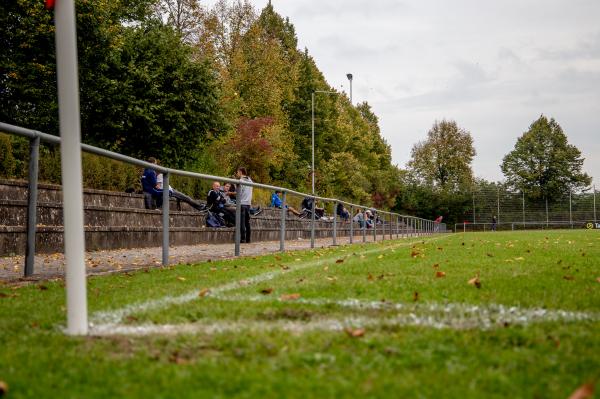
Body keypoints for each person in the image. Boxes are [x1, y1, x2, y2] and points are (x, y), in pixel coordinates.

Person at [236, 167, 253, 243]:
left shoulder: (241, 181)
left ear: (240, 172)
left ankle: (242, 239)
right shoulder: (250, 180)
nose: (237, 174)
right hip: (248, 204)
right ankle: (248, 239)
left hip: (242, 203)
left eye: (237, 172)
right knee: (247, 222)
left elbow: (239, 192)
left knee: (242, 222)